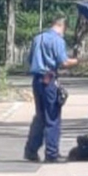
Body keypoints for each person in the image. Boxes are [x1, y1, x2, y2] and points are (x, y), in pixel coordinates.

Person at [23, 15, 78, 163]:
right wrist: (78, 61)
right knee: (52, 117)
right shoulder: (58, 40)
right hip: (49, 80)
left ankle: (31, 150)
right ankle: (52, 153)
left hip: (36, 81)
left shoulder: (38, 38)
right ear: (62, 26)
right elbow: (64, 62)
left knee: (40, 116)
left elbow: (29, 60)